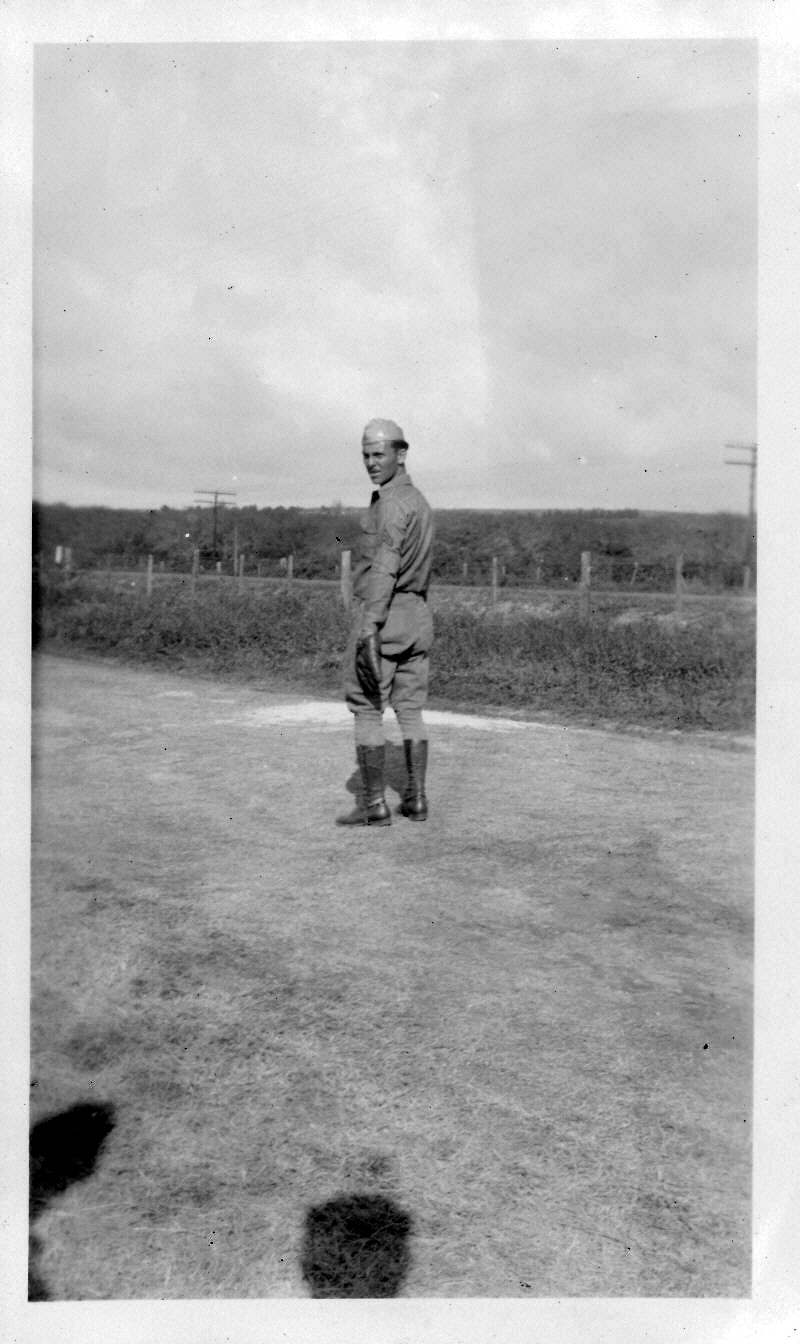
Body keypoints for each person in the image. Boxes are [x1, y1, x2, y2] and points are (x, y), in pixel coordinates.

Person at [338, 418, 435, 827]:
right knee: (410, 709)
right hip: (417, 617)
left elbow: (385, 568)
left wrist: (369, 627)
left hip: (386, 615)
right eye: (366, 455)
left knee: (367, 707)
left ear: (401, 453)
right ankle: (416, 799)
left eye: (379, 454)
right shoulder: (419, 500)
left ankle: (374, 805)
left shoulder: (392, 504)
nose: (371, 463)